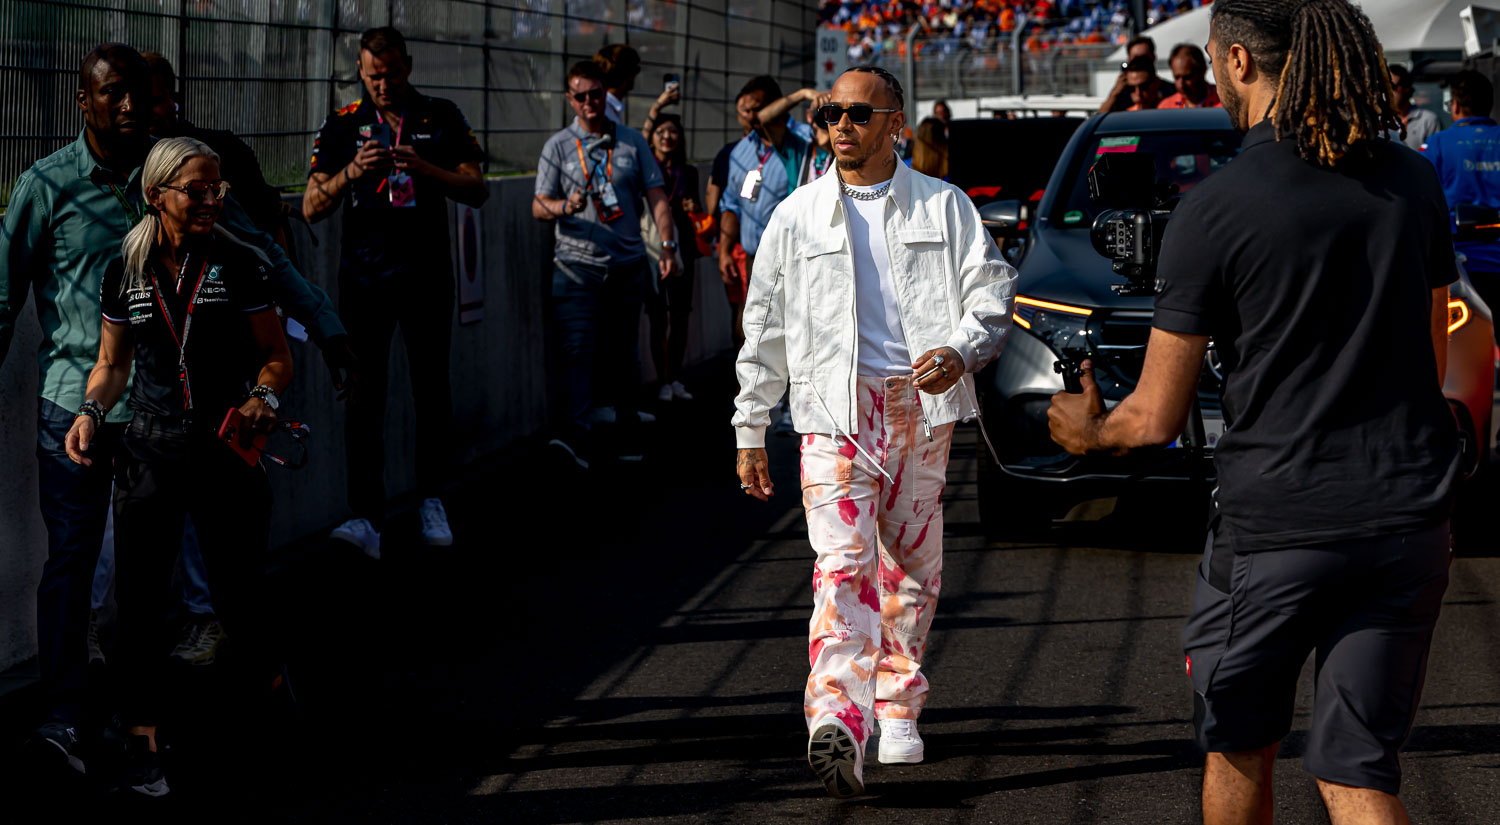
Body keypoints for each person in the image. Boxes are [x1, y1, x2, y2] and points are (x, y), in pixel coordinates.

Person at [1046, 1, 1461, 822]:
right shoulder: (1411, 181)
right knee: (1358, 771)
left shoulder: (1217, 205)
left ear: (1239, 62)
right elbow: (1435, 358)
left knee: (1240, 743)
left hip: (1277, 522)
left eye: (1212, 59)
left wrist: (1085, 428)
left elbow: (1152, 418)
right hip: (1406, 514)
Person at [0, 42, 347, 775]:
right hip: (78, 408)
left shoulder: (188, 176)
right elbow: (5, 296)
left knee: (184, 583)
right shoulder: (46, 186)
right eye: (114, 92)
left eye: (141, 91)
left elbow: (266, 259)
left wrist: (327, 328)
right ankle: (65, 721)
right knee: (73, 565)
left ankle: (170, 723)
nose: (132, 105)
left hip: (174, 424)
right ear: (83, 102)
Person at [732, 65, 1017, 799]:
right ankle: (837, 717)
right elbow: (763, 327)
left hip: (918, 408)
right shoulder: (796, 216)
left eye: (858, 114)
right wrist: (750, 426)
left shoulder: (944, 205)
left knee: (911, 571)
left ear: (896, 122)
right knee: (841, 566)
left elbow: (991, 290)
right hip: (832, 415)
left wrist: (960, 350)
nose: (841, 127)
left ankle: (897, 705)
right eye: (831, 114)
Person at [64, 136, 293, 797]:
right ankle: (144, 747)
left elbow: (277, 357)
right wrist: (89, 410)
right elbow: (112, 365)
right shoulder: (125, 269)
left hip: (224, 448)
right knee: (130, 613)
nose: (212, 200)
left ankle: (274, 714)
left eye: (218, 188)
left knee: (239, 598)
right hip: (151, 448)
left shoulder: (240, 262)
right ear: (156, 194)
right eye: (198, 189)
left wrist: (263, 397)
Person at [302, 26, 487, 557]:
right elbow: (312, 206)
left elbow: (477, 189)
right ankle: (366, 516)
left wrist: (426, 169)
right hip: (364, 282)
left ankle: (433, 500)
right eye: (373, 76)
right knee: (364, 398)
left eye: (392, 74)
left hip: (426, 277)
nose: (383, 85)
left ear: (409, 65)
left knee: (431, 391)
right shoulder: (342, 123)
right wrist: (351, 172)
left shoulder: (440, 115)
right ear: (361, 73)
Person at [532, 60, 679, 468]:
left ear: (605, 94)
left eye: (595, 94)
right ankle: (576, 437)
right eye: (580, 96)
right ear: (570, 99)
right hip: (575, 267)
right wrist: (564, 206)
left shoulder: (631, 141)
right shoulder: (558, 146)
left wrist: (668, 246)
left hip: (626, 266)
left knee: (624, 354)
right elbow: (538, 205)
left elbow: (656, 195)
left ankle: (627, 433)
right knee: (576, 351)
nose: (589, 102)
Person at [718, 76, 814, 373]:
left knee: (795, 331)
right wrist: (724, 251)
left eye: (757, 108)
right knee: (750, 327)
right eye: (745, 110)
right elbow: (731, 205)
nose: (751, 116)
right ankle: (750, 391)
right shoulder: (740, 152)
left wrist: (802, 94)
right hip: (753, 258)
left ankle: (792, 393)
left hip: (795, 257)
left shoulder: (804, 141)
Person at [142, 52, 286, 242]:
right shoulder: (126, 163)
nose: (145, 112)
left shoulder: (226, 151)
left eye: (154, 102)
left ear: (174, 99)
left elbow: (269, 225)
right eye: (139, 102)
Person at [1423, 70, 1500, 342]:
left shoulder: (1437, 145)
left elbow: (1424, 202)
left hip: (1460, 265)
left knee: (1467, 344)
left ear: (1454, 105)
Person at [645, 113, 701, 404]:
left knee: (681, 315)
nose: (667, 137)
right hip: (652, 246)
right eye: (661, 131)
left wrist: (693, 206)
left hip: (684, 246)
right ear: (652, 137)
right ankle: (662, 380)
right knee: (658, 316)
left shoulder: (688, 171)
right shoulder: (645, 167)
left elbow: (698, 207)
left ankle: (676, 378)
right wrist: (657, 107)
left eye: (673, 131)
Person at [1389, 64, 1442, 151]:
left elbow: (1433, 154)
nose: (1388, 92)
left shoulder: (1428, 120)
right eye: (1384, 87)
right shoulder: (1379, 122)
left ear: (1406, 88)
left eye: (1392, 87)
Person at [1098, 35, 1157, 113]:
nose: (1138, 93)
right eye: (1131, 89)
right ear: (1129, 59)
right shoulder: (1121, 89)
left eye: (1144, 87)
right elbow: (1101, 116)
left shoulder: (1168, 90)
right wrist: (1115, 93)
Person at [1158, 44, 1221, 109]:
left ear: (1203, 70)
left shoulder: (1224, 102)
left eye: (1187, 77)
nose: (1181, 85)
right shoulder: (1166, 107)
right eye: (1177, 77)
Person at [594, 43, 641, 126]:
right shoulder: (603, 112)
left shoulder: (606, 107)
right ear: (628, 73)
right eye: (636, 70)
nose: (636, 76)